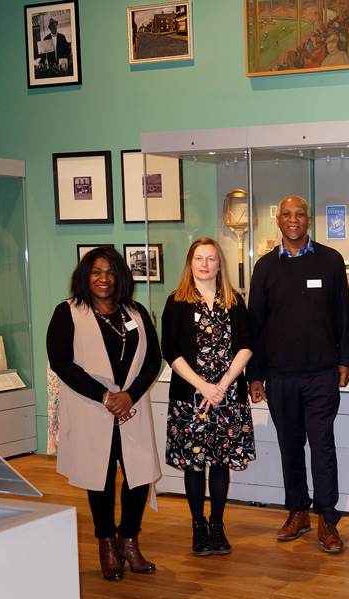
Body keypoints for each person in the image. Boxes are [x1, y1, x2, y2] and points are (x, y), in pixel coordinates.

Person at [246, 195, 349, 555]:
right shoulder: (264, 267)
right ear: (278, 221)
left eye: (300, 214)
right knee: (290, 447)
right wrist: (255, 375)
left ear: (309, 221)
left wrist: (345, 359)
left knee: (322, 446)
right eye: (287, 214)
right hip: (280, 376)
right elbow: (255, 327)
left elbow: (343, 313)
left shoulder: (330, 260)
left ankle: (327, 518)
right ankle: (298, 511)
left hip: (322, 373)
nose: (293, 220)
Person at [46, 248, 162, 581]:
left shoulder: (135, 311)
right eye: (96, 272)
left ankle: (129, 540)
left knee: (138, 474)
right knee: (101, 478)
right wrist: (105, 397)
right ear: (85, 276)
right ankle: (106, 544)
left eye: (110, 272)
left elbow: (154, 359)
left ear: (120, 277)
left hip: (131, 408)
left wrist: (129, 396)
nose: (103, 279)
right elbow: (62, 362)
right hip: (92, 407)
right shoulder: (68, 312)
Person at [161, 238, 255, 556]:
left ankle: (217, 525)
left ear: (219, 264)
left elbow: (246, 344)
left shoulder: (235, 301)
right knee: (194, 465)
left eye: (211, 259)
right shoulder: (176, 302)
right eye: (199, 258)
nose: (204, 264)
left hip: (227, 397)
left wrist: (223, 385)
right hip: (191, 396)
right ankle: (198, 527)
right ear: (190, 263)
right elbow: (170, 350)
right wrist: (202, 385)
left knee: (219, 463)